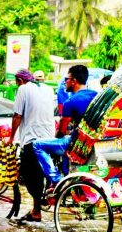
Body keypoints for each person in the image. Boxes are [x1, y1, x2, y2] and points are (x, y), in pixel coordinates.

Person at [31, 64, 99, 193]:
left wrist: (56, 138)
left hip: (77, 145)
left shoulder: (71, 102)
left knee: (37, 145)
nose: (64, 82)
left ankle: (56, 179)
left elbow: (61, 131)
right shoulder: (96, 96)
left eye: (66, 79)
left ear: (73, 81)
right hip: (92, 142)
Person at [8, 69, 55, 223]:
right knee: (41, 173)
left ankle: (36, 209)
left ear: (20, 81)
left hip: (33, 139)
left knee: (29, 174)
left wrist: (11, 137)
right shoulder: (48, 89)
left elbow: (17, 116)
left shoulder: (23, 89)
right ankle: (38, 206)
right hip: (50, 138)